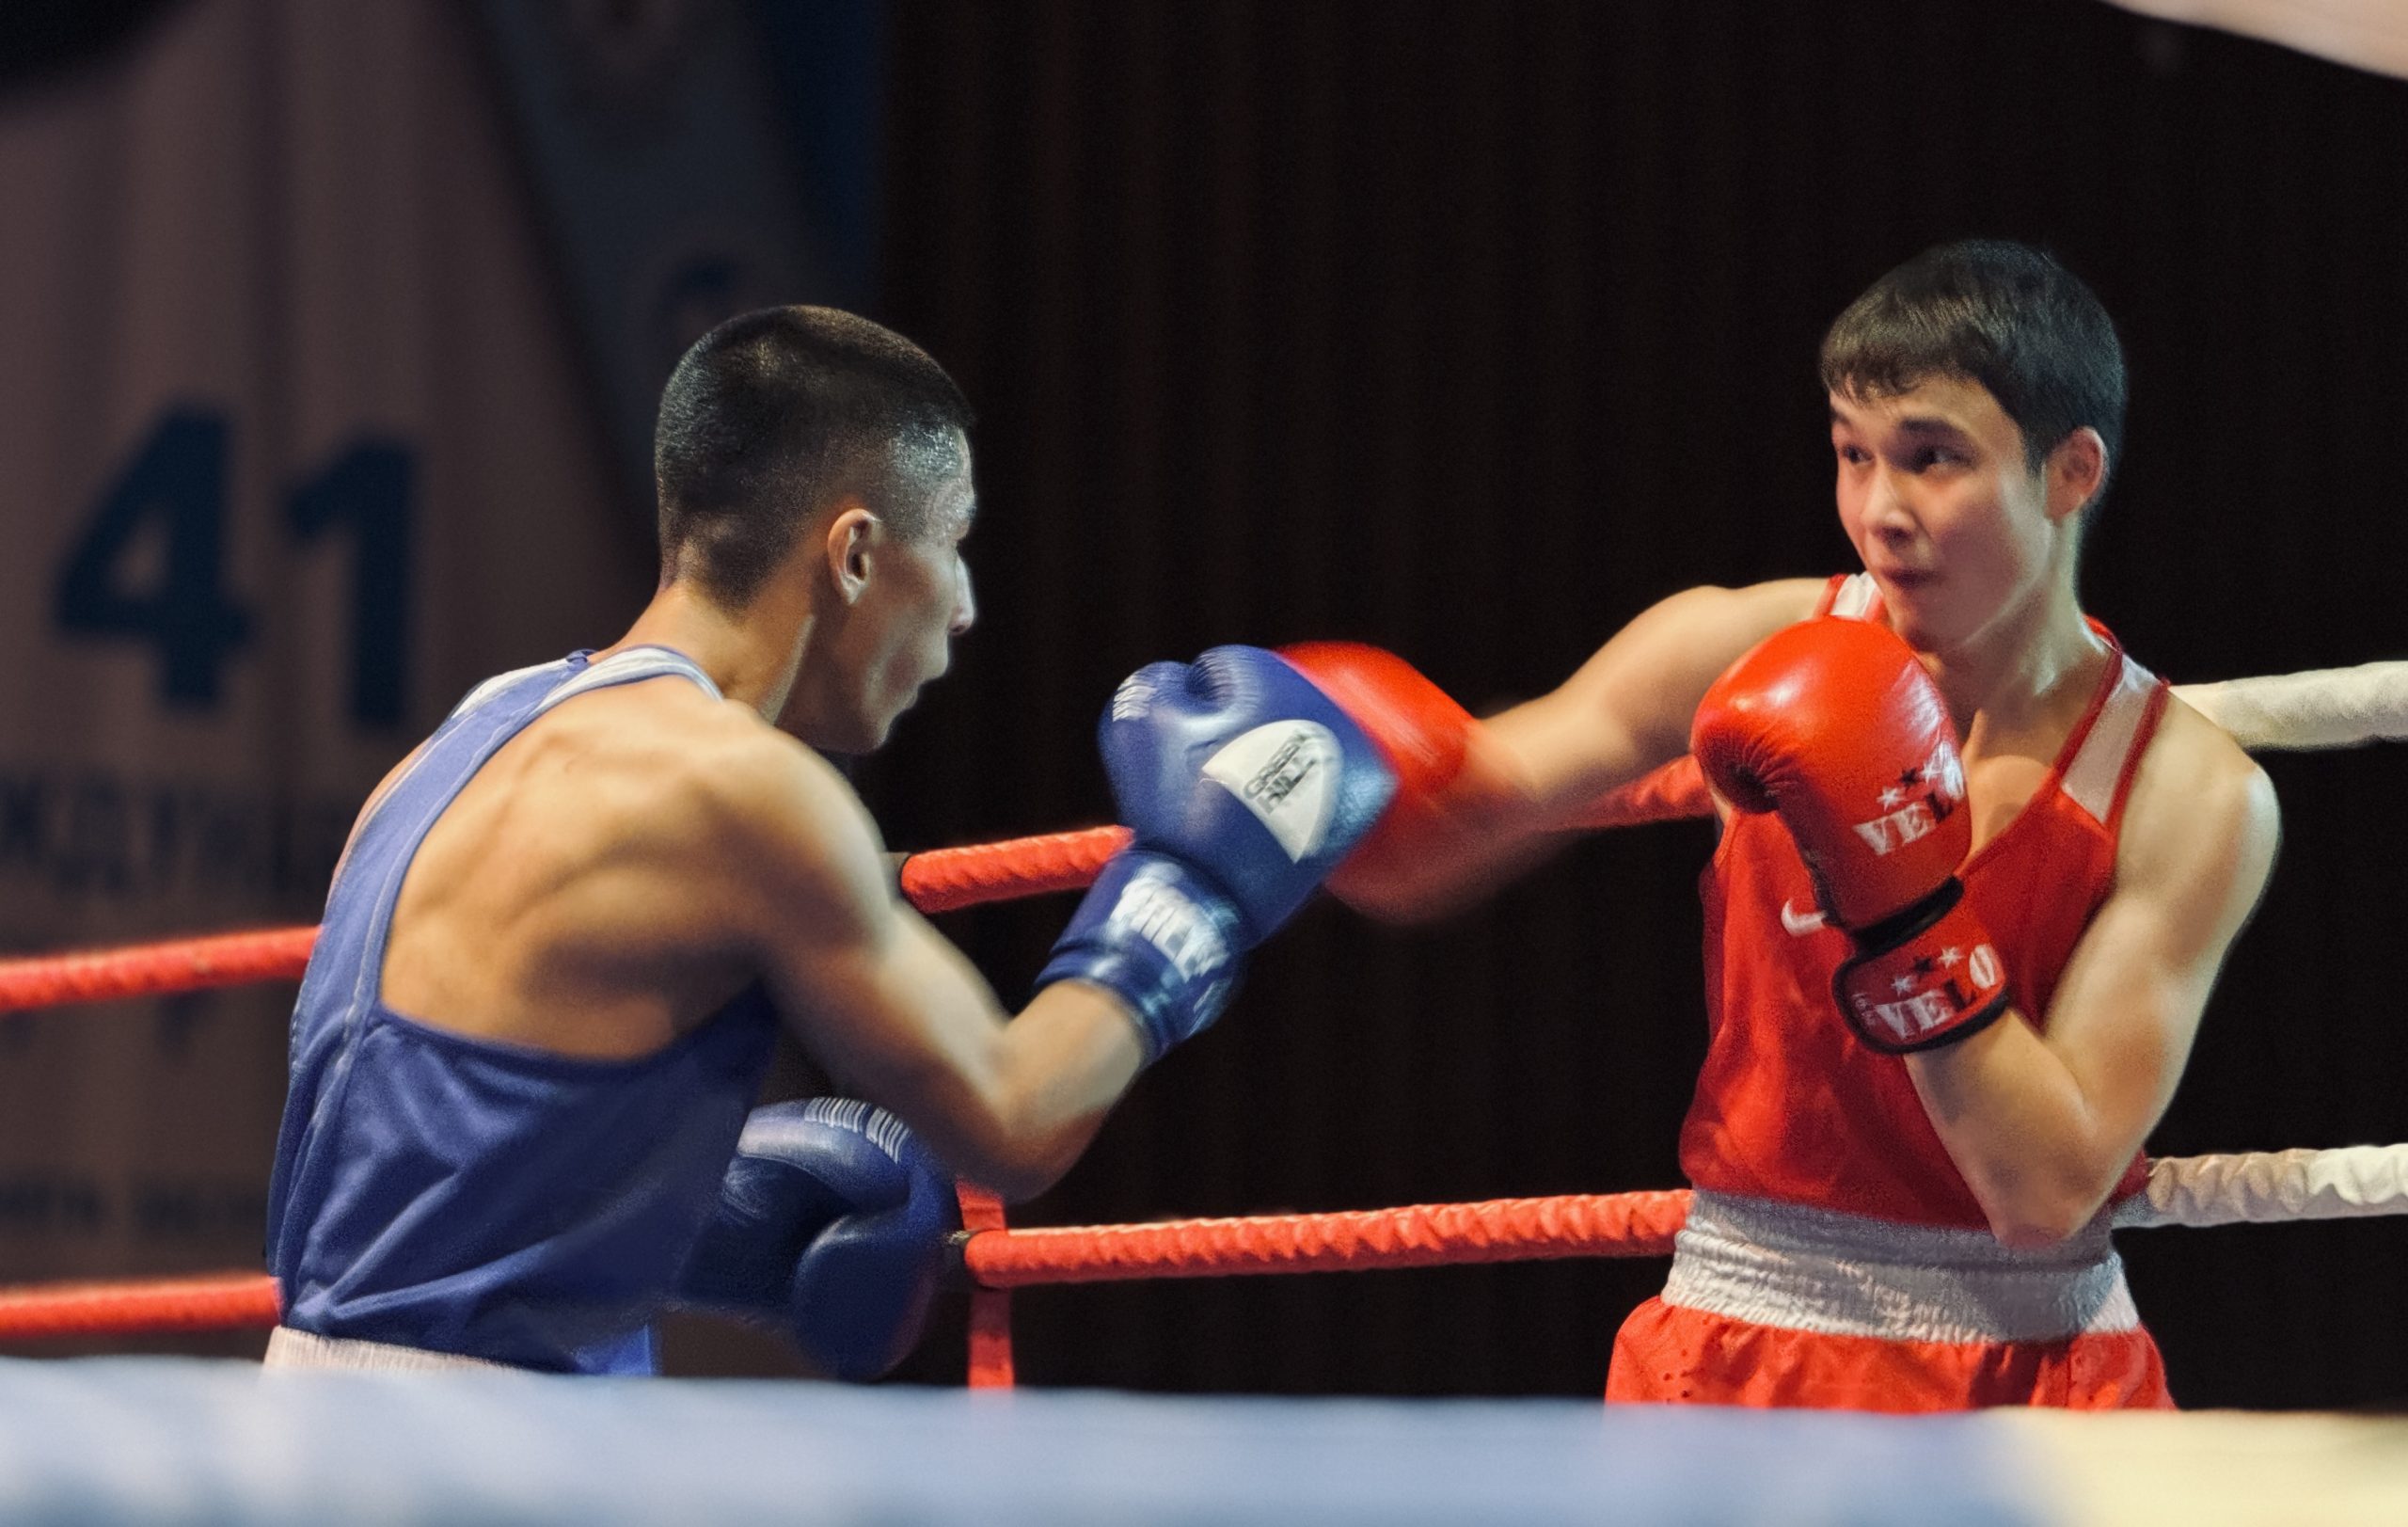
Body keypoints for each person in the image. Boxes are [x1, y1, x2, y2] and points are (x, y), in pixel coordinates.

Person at [261, 307, 1393, 1375]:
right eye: (952, 542)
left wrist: (671, 1208)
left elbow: (397, 1106)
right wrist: (1194, 887)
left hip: (311, 1411)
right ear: (854, 553)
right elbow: (1015, 1118)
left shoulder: (473, 731)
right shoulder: (741, 790)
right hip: (481, 1459)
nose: (964, 606)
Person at [1285, 240, 2279, 1410]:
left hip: (2035, 1367)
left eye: (1932, 458)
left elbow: (2043, 1192)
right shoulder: (1740, 647)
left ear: (2070, 472)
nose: (1880, 512)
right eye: (1853, 455)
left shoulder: (2184, 791)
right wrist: (1303, 772)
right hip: (1740, 1339)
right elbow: (1450, 828)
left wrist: (1900, 901)